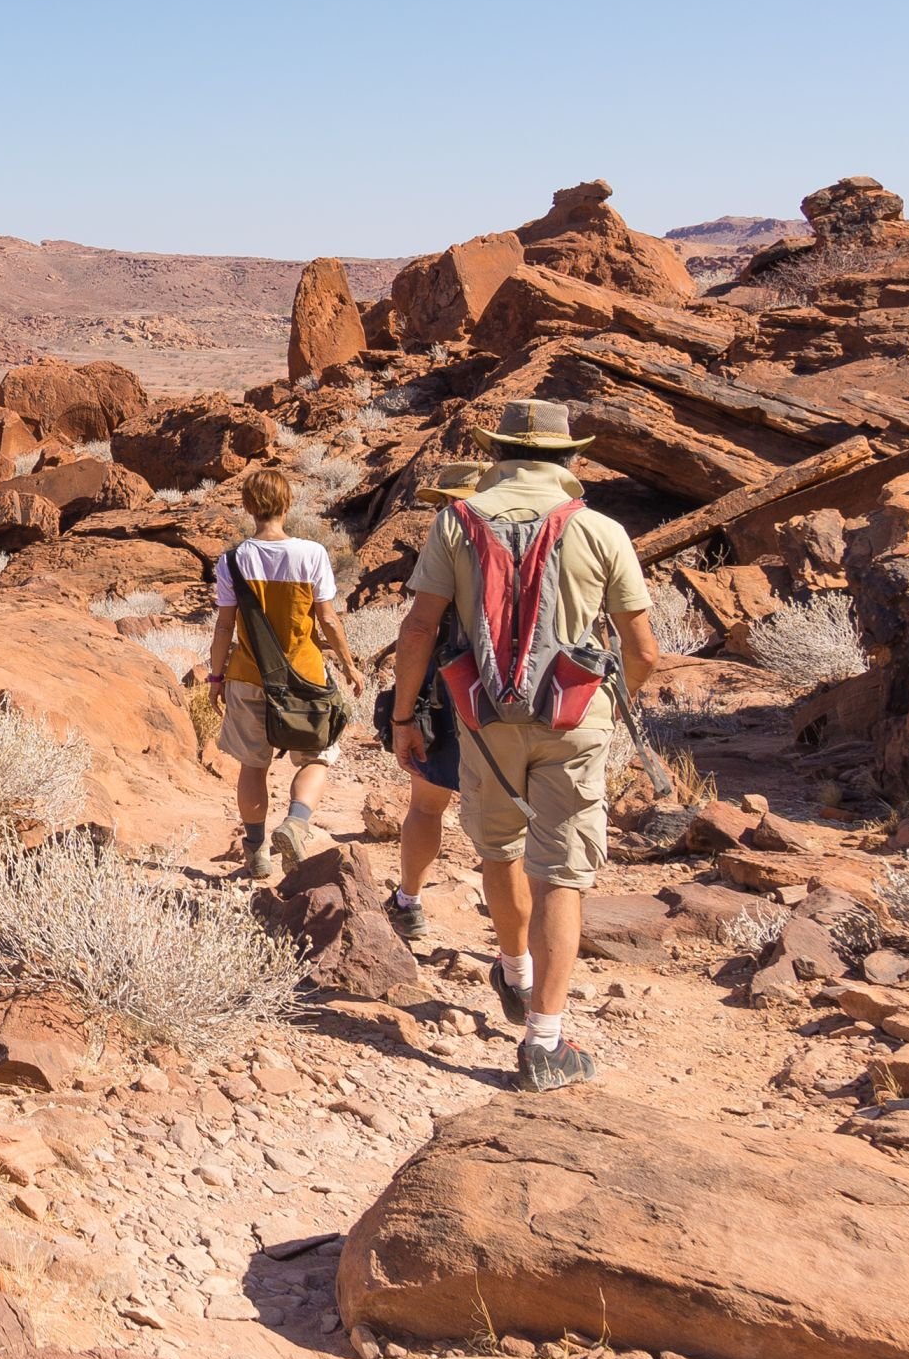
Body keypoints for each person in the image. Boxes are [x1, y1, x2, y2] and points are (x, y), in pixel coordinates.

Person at [387, 401, 672, 1094]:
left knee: (500, 849)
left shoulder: (454, 522)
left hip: (483, 719)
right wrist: (609, 706)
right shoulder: (601, 529)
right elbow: (643, 651)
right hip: (572, 722)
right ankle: (544, 1039)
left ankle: (515, 973)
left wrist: (404, 717)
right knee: (561, 871)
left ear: (499, 452)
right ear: (569, 458)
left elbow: (420, 627)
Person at [204, 466, 359, 884]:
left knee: (253, 766)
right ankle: (295, 824)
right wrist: (348, 664)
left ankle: (256, 854)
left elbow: (223, 626)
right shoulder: (312, 554)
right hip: (304, 678)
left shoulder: (233, 560)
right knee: (317, 755)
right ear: (288, 504)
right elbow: (327, 620)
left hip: (248, 677)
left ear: (248, 506)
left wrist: (216, 678)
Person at [380, 459, 491, 940]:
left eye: (447, 501)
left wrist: (403, 715)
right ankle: (517, 939)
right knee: (506, 820)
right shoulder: (525, 538)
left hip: (446, 688)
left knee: (427, 804)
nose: (443, 510)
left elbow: (422, 625)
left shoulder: (449, 538)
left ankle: (410, 901)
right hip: (513, 690)